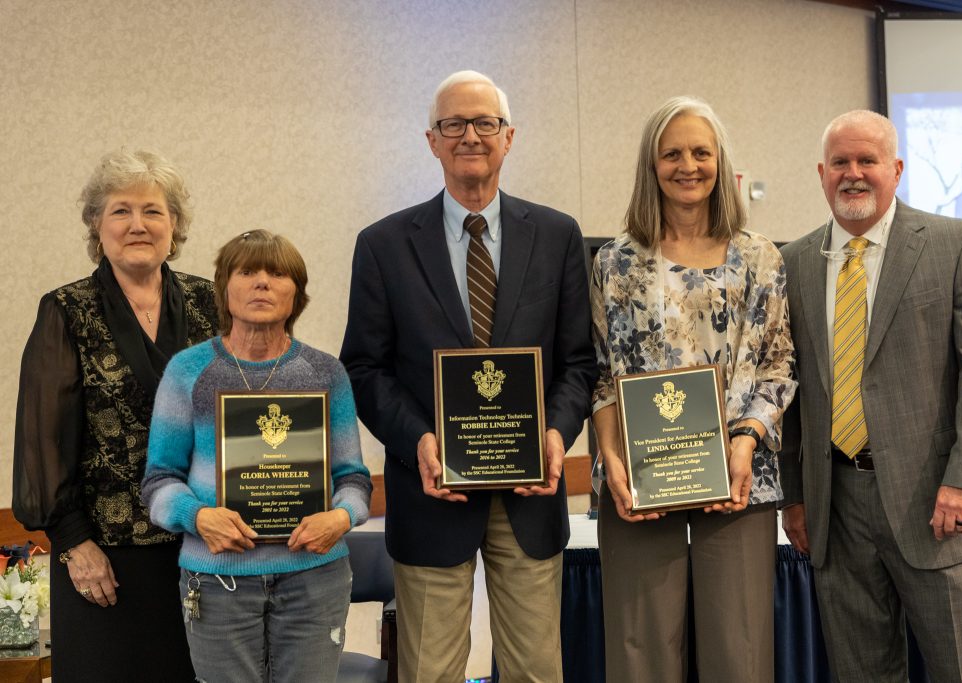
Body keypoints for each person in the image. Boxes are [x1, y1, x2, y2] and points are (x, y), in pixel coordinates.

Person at [340, 70, 596, 682]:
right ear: (431, 140)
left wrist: (557, 435)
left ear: (509, 137)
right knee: (431, 671)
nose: (470, 136)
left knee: (537, 670)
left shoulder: (559, 237)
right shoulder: (383, 245)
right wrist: (419, 442)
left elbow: (578, 364)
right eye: (454, 124)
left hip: (530, 494)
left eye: (485, 123)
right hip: (430, 492)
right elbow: (365, 368)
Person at [779, 110, 962, 682]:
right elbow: (787, 388)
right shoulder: (794, 262)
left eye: (868, 161)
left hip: (942, 505)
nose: (853, 174)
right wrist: (794, 494)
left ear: (897, 169)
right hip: (836, 508)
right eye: (841, 162)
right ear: (821, 172)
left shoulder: (957, 242)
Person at [590, 96, 796, 682]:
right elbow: (600, 373)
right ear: (650, 165)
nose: (688, 165)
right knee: (639, 657)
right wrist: (609, 455)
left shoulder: (760, 257)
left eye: (701, 152)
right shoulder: (615, 263)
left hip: (738, 479)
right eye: (672, 153)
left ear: (720, 162)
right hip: (639, 480)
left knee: (740, 653)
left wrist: (745, 442)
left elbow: (779, 366)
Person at [12, 150, 216, 681]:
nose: (138, 225)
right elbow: (43, 440)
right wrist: (74, 545)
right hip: (105, 558)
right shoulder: (66, 310)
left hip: (204, 547)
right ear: (97, 226)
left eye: (153, 211)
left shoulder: (210, 302)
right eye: (120, 211)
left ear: (175, 225)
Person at [141, 230, 371, 682]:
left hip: (314, 578)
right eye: (247, 272)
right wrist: (197, 516)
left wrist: (341, 518)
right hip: (217, 580)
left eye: (277, 273)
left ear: (297, 294)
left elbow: (354, 479)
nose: (262, 283)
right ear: (225, 289)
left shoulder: (326, 372)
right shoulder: (188, 371)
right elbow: (158, 481)